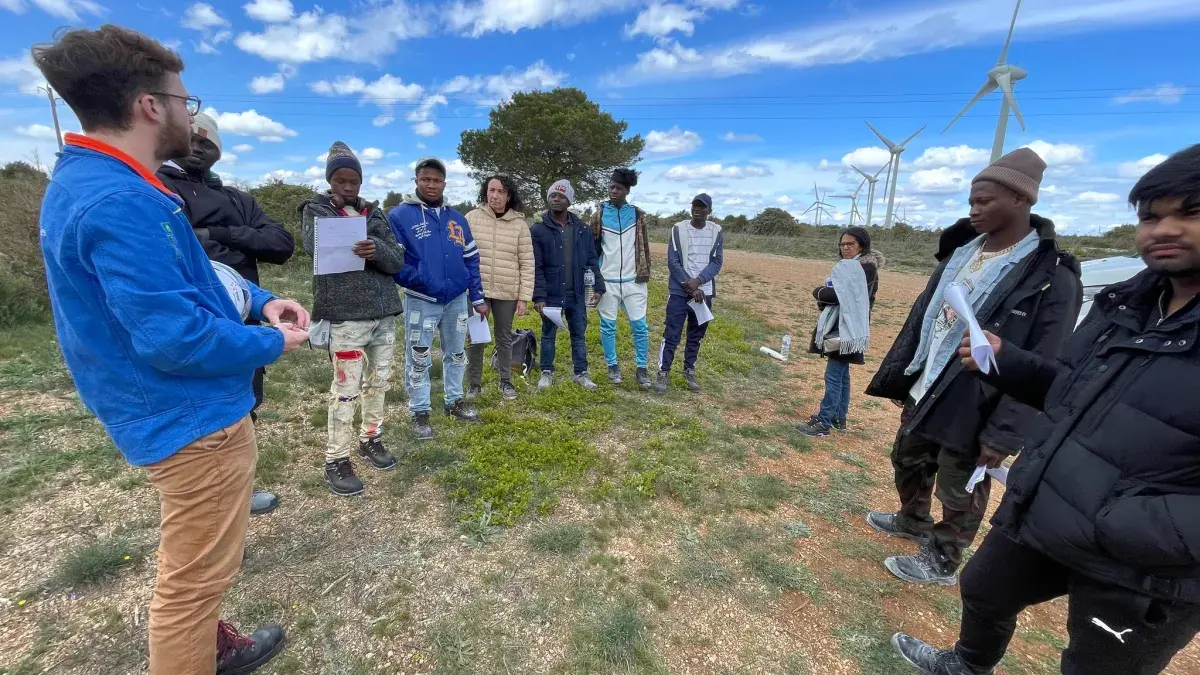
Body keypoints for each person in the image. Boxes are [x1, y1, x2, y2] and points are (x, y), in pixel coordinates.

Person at [33, 25, 307, 675]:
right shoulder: (120, 198)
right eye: (186, 99)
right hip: (192, 421)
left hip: (176, 411)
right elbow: (172, 336)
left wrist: (259, 301)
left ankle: (214, 647)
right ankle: (197, 650)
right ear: (149, 105)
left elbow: (187, 285)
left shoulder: (100, 181)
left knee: (196, 565)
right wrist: (273, 340)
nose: (192, 112)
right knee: (190, 587)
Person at [892, 143, 1200, 675]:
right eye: (1150, 216)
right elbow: (1071, 384)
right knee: (985, 590)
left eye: (1189, 213)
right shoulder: (1125, 304)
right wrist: (1008, 362)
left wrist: (1121, 522)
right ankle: (966, 665)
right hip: (1049, 509)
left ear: (1021, 199)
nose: (1164, 229)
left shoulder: (1053, 273)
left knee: (1097, 666)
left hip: (1144, 559)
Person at [863, 148, 1082, 586]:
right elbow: (927, 319)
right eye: (971, 202)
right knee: (908, 459)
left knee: (960, 486)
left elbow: (1046, 364)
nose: (974, 210)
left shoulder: (1052, 277)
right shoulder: (962, 253)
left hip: (978, 404)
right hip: (929, 387)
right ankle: (912, 520)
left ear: (1021, 200)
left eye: (985, 201)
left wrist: (1003, 433)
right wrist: (910, 375)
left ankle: (943, 559)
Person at [157, 112, 294, 516]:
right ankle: (208, 509)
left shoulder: (237, 197)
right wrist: (240, 247)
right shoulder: (160, 187)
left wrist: (216, 235)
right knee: (201, 416)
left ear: (219, 150)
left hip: (245, 322)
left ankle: (238, 491)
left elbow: (281, 244)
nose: (199, 148)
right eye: (192, 139)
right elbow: (181, 254)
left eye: (208, 143)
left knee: (245, 403)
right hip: (194, 321)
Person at [301, 142, 405, 497]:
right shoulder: (316, 210)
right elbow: (313, 247)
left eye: (354, 181)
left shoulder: (375, 213)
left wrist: (375, 249)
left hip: (383, 313)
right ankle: (337, 458)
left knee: (378, 383)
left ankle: (371, 438)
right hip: (345, 317)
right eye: (341, 181)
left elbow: (396, 259)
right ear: (330, 181)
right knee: (345, 390)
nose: (348, 187)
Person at [388, 157, 486, 440]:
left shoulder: (456, 218)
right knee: (418, 357)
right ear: (416, 181)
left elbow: (471, 258)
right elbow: (394, 260)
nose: (431, 184)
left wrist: (476, 295)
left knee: (456, 353)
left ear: (444, 183)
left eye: (437, 180)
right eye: (425, 179)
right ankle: (420, 412)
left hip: (456, 298)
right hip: (421, 299)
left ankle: (454, 401)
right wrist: (420, 278)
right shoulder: (399, 216)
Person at [797, 226, 884, 435]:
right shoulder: (850, 267)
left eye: (850, 244)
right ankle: (838, 418)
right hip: (846, 325)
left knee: (834, 375)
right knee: (842, 374)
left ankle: (824, 422)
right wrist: (824, 294)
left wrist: (819, 291)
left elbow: (836, 295)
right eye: (842, 244)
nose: (845, 247)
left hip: (848, 328)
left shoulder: (865, 268)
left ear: (861, 245)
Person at [464, 174, 534, 401]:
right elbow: (460, 254)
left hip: (507, 291)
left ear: (509, 196)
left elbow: (527, 262)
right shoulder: (472, 219)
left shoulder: (520, 225)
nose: (495, 195)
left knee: (504, 338)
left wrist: (523, 297)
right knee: (476, 338)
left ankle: (505, 381)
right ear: (485, 193)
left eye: (501, 191)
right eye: (491, 190)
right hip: (477, 292)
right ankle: (473, 384)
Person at [531, 180, 605, 391]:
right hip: (552, 295)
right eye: (553, 195)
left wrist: (598, 288)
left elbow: (592, 259)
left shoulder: (582, 229)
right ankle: (547, 372)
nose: (556, 199)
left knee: (579, 335)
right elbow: (536, 266)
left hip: (577, 293)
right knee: (548, 334)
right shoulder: (538, 229)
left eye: (561, 196)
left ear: (569, 200)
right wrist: (539, 297)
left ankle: (580, 373)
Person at [589, 168, 652, 387]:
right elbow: (593, 250)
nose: (614, 191)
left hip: (634, 281)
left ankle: (642, 369)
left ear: (627, 190)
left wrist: (644, 272)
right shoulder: (598, 216)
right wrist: (594, 280)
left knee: (640, 326)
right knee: (608, 326)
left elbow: (644, 247)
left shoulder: (637, 215)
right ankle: (612, 366)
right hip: (607, 282)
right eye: (611, 187)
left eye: (619, 188)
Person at [655, 193, 724, 394]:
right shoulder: (678, 228)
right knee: (672, 333)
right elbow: (673, 261)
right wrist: (691, 286)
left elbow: (717, 262)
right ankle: (663, 372)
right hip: (679, 291)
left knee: (696, 334)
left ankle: (689, 370)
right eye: (695, 205)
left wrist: (699, 282)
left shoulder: (716, 231)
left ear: (709, 211)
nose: (698, 209)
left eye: (702, 207)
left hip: (705, 293)